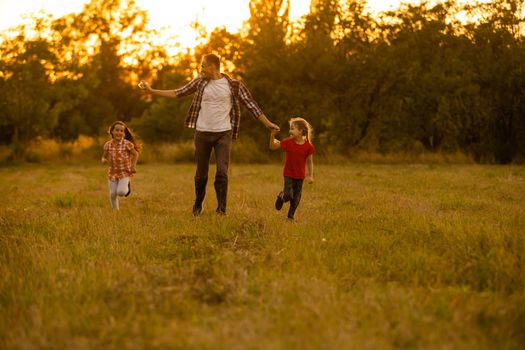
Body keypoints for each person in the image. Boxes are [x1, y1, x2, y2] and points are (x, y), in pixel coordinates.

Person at [139, 53, 280, 216]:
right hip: (202, 133)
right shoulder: (199, 82)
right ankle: (198, 204)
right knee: (201, 175)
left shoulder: (234, 85)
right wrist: (151, 91)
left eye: (203, 65)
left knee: (222, 171)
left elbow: (251, 105)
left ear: (213, 66)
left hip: (223, 133)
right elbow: (178, 93)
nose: (201, 69)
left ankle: (221, 209)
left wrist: (267, 123)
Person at [269, 117, 315, 221]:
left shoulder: (308, 147)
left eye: (293, 128)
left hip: (300, 176)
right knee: (289, 194)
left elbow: (310, 162)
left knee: (296, 198)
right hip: (288, 174)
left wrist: (311, 175)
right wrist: (272, 135)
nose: (290, 131)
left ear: (301, 131)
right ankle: (282, 196)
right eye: (290, 128)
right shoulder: (288, 142)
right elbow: (272, 147)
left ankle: (290, 217)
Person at [101, 121, 141, 210]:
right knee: (113, 193)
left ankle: (127, 186)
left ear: (124, 133)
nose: (119, 132)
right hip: (113, 172)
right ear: (112, 131)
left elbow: (136, 154)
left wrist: (133, 166)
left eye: (121, 131)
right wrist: (104, 160)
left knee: (121, 192)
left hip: (125, 172)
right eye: (117, 130)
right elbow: (104, 156)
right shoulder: (108, 145)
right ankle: (115, 212)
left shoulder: (127, 144)